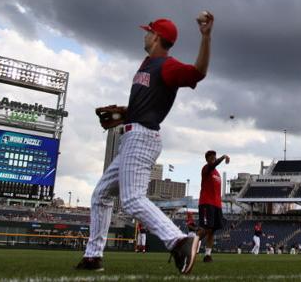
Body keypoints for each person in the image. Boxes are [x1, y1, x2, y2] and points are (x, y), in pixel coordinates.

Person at [76, 14, 214, 274]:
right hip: (132, 134)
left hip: (142, 137)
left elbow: (199, 72)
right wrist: (125, 113)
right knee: (101, 194)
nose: (145, 35)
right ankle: (93, 256)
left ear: (156, 37)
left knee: (132, 199)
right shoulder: (147, 64)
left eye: (148, 32)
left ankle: (179, 241)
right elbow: (148, 103)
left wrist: (206, 37)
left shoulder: (167, 66)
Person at [197, 150, 230, 263]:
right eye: (211, 157)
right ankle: (189, 244)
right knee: (206, 229)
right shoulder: (206, 169)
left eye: (214, 157)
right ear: (207, 159)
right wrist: (223, 157)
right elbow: (213, 165)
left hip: (216, 205)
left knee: (212, 231)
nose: (213, 159)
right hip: (206, 203)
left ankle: (207, 255)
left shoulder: (217, 173)